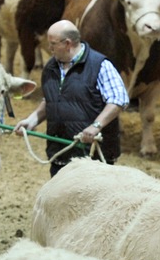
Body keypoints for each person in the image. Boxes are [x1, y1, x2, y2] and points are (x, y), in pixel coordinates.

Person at [14, 20, 127, 177]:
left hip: (93, 159)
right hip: (60, 154)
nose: (49, 48)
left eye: (52, 44)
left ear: (67, 44)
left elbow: (118, 100)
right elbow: (51, 99)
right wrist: (32, 120)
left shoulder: (100, 65)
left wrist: (96, 126)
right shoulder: (51, 67)